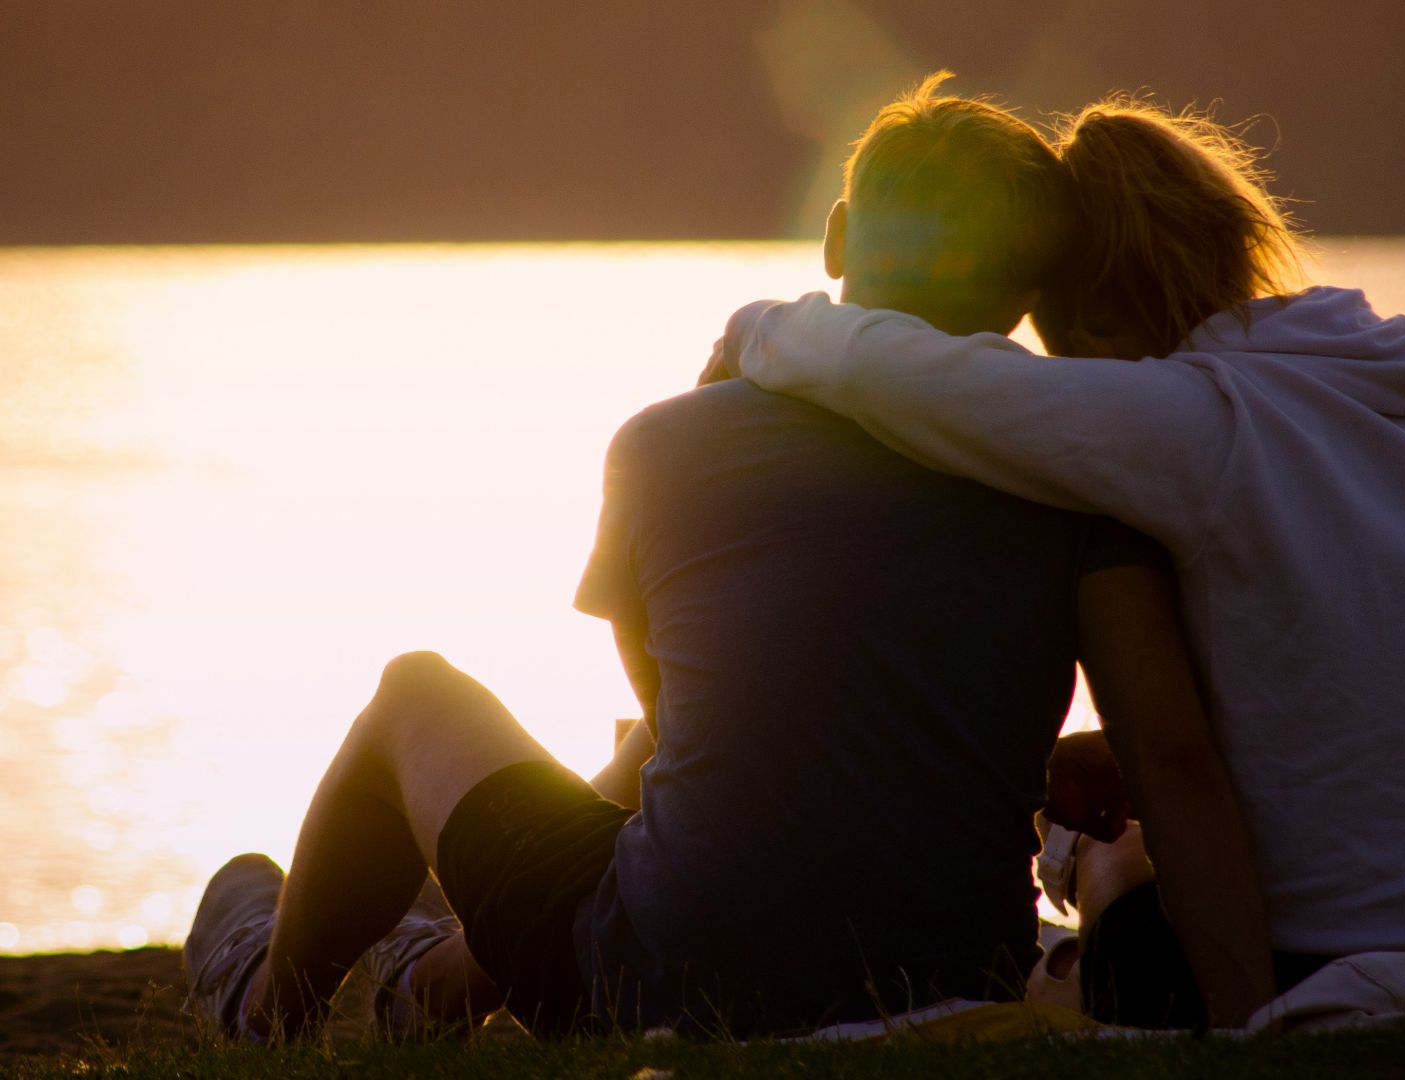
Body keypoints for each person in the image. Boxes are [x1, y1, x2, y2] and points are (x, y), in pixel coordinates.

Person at [182, 75, 1272, 1041]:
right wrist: (1251, 1025)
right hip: (953, 972)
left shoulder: (664, 444)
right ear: (1031, 289)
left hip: (667, 986)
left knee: (415, 695)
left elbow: (685, 719)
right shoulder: (1079, 475)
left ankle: (270, 1004)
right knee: (619, 834)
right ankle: (423, 983)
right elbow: (1169, 757)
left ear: (840, 237)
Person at [713, 96, 1405, 1026]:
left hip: (1336, 961)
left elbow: (904, 375)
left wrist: (759, 328)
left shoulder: (1192, 419)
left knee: (1112, 858)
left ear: (1092, 318)